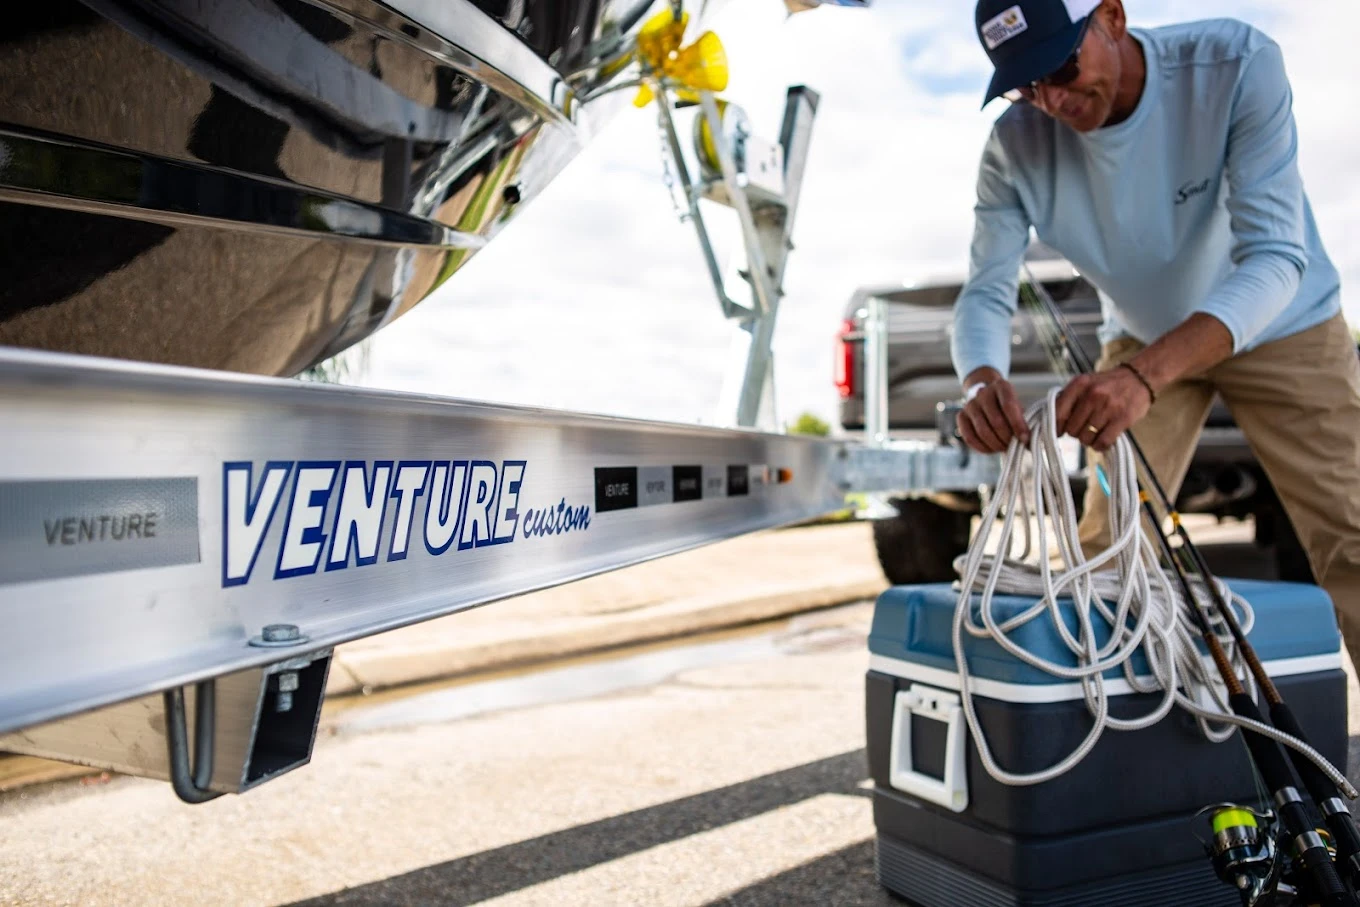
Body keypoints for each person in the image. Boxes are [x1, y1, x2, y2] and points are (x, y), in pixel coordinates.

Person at [950, 0, 1360, 663]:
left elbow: (1277, 258)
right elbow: (986, 287)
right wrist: (979, 379)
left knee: (1353, 535)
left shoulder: (1236, 65)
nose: (1050, 99)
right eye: (1025, 81)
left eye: (1059, 64)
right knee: (1106, 550)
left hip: (1285, 323)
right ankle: (1115, 742)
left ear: (1112, 17)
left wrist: (1143, 378)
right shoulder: (1012, 146)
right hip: (1141, 335)